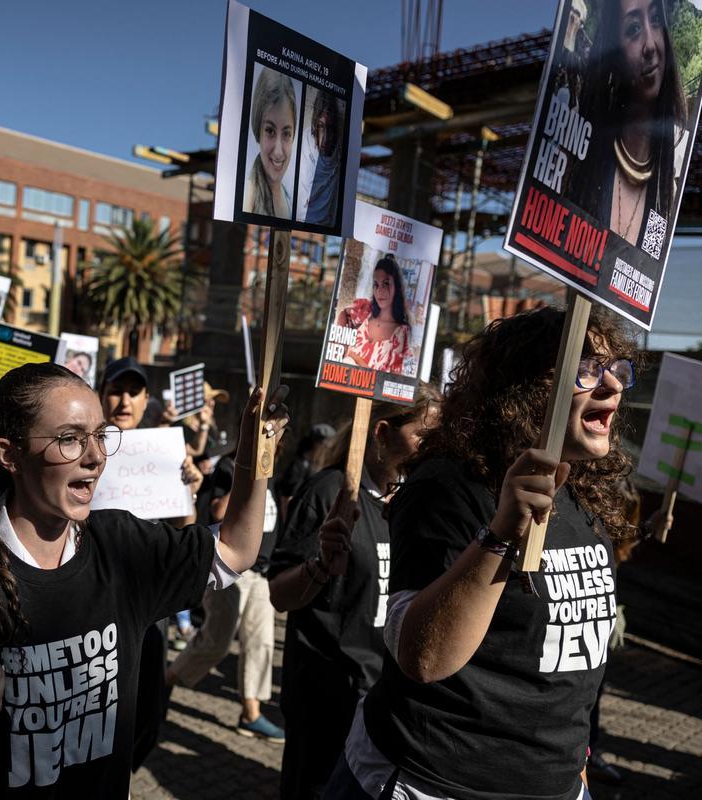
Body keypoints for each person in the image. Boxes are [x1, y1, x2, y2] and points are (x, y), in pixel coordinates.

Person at [0, 362, 289, 797]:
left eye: (99, 436)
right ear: (8, 454)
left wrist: (255, 452)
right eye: (70, 439)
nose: (96, 456)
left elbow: (235, 550)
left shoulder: (122, 544)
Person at [323, 307, 638, 800]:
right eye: (586, 369)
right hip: (431, 784)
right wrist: (500, 534)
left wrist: (575, 766)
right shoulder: (449, 487)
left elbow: (568, 674)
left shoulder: (587, 494)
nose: (613, 385)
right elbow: (423, 658)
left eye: (617, 369)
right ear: (524, 387)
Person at [269, 387, 441, 799]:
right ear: (382, 432)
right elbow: (279, 594)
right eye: (424, 434)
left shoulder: (413, 501)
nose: (434, 445)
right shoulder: (329, 492)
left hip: (384, 699)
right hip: (327, 697)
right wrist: (321, 566)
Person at [99, 356, 205, 766]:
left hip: (147, 610)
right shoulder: (79, 449)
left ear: (146, 401)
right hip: (93, 603)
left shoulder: (161, 454)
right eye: (115, 390)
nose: (124, 400)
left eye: (134, 392)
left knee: (146, 714)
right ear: (101, 394)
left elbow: (183, 533)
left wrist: (187, 492)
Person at [166, 454, 287, 744]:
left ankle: (251, 713)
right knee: (216, 642)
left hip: (261, 574)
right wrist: (251, 477)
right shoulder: (230, 466)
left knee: (261, 644)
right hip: (231, 573)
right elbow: (219, 510)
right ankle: (165, 681)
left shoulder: (270, 467)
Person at [568, 0, 689, 247]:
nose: (651, 46)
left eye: (656, 21)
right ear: (614, 56)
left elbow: (648, 265)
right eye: (633, 29)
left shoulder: (666, 193)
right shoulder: (581, 158)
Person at [336, 254, 411, 374]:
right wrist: (340, 341)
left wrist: (354, 357)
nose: (379, 291)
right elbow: (343, 313)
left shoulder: (402, 332)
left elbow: (389, 378)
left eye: (386, 284)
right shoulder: (367, 311)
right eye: (376, 285)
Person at [242, 67, 298, 218]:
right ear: (257, 129)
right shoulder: (247, 197)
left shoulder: (290, 200)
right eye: (270, 131)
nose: (279, 151)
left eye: (287, 133)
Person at [298, 90, 345, 228]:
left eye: (330, 128)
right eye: (321, 126)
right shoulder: (304, 145)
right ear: (315, 125)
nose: (325, 137)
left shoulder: (338, 156)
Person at [275, 422, 337, 514]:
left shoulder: (320, 466)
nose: (328, 451)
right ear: (316, 444)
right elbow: (287, 500)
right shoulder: (299, 467)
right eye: (326, 447)